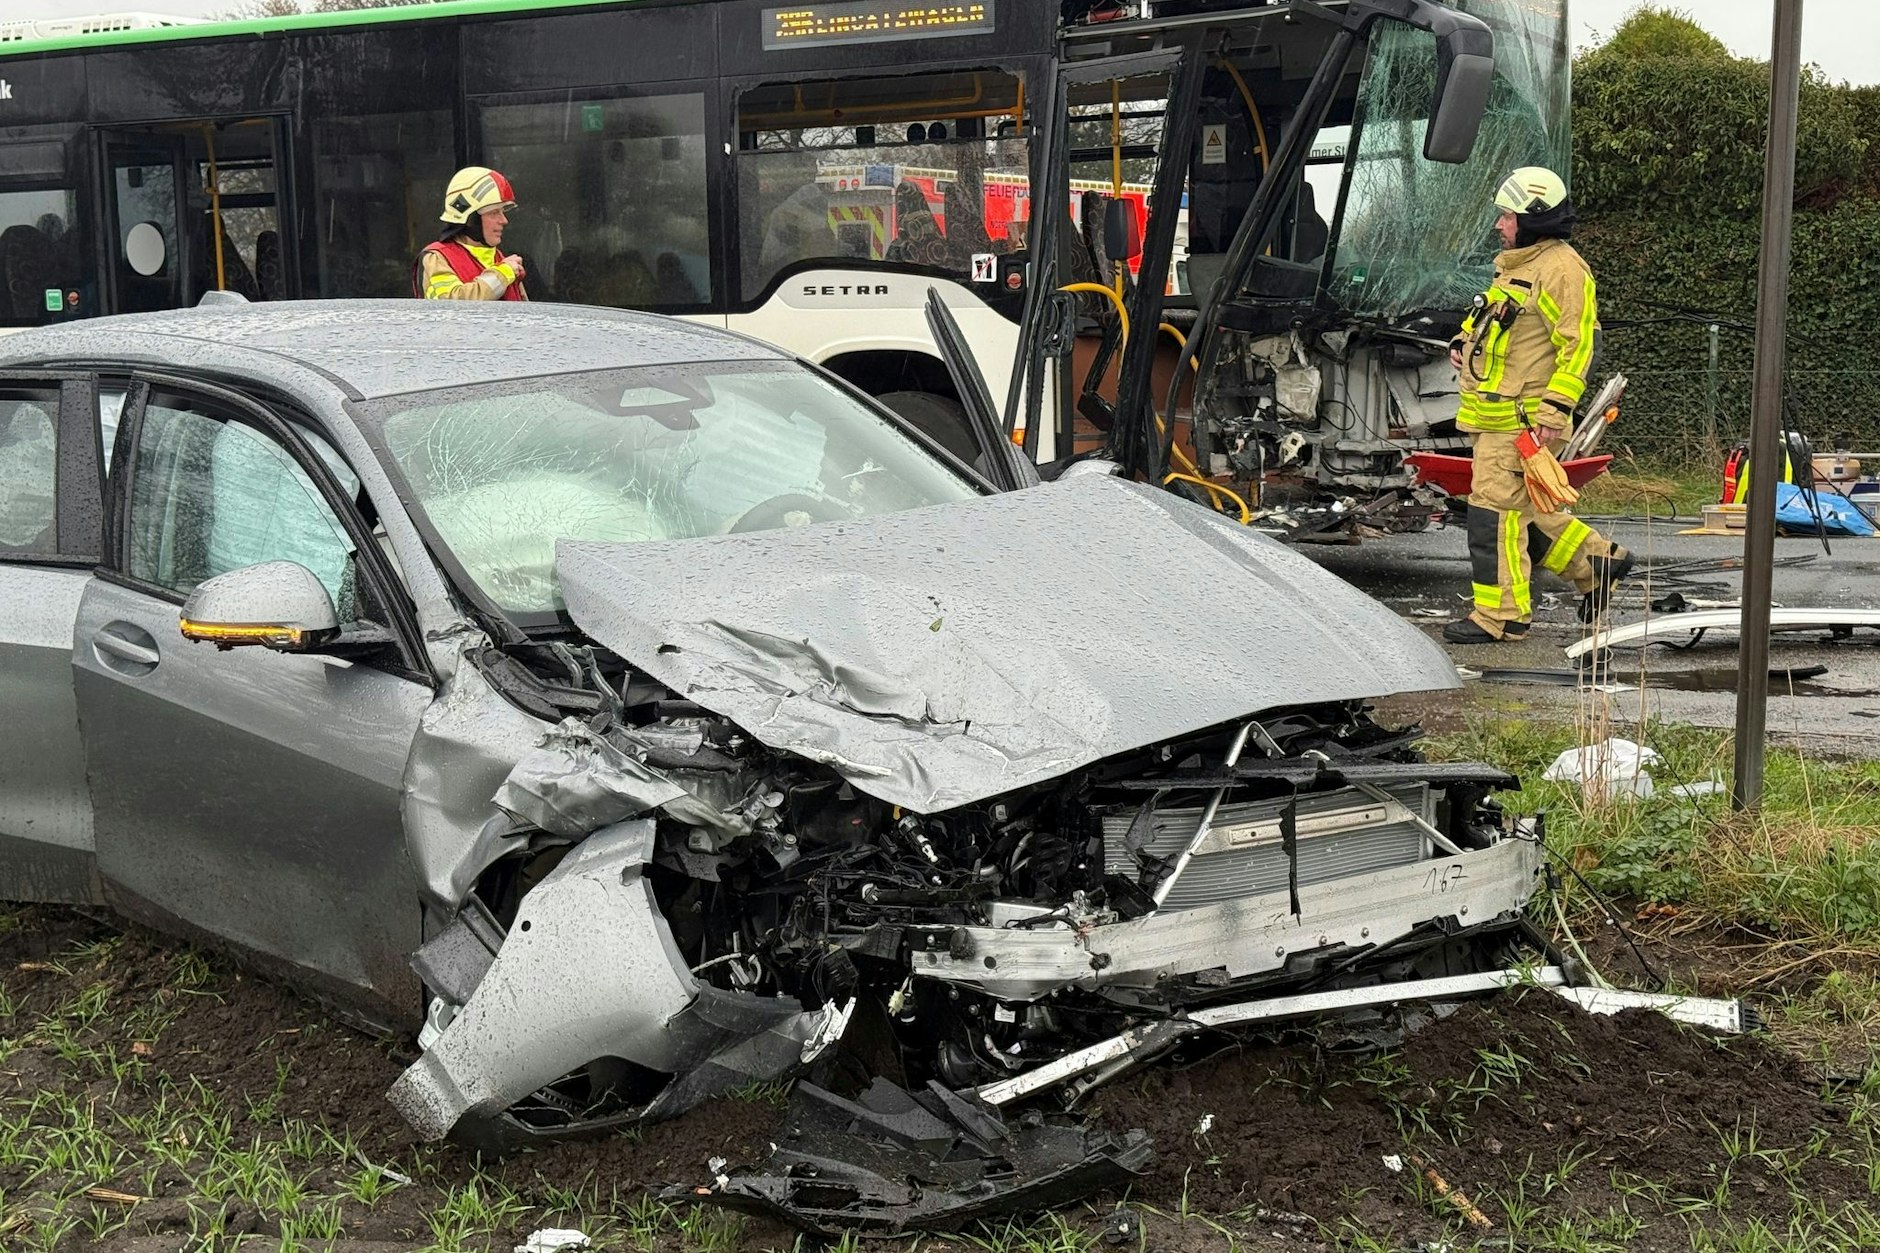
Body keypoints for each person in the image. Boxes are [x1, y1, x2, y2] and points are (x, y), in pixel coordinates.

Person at [1443, 166, 1633, 645]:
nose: (1499, 225)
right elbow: (1498, 327)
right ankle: (1598, 563)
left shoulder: (1562, 270)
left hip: (1523, 420)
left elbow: (1578, 347)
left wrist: (1554, 411)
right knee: (1530, 516)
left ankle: (1501, 617)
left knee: (1493, 517)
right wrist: (1463, 341)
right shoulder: (1518, 267)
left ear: (1531, 219)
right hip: (1498, 418)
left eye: (1506, 216)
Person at [411, 167, 529, 301]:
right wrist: (501, 274)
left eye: (503, 211)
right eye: (494, 213)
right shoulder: (437, 258)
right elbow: (451, 306)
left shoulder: (500, 259)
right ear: (470, 219)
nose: (504, 220)